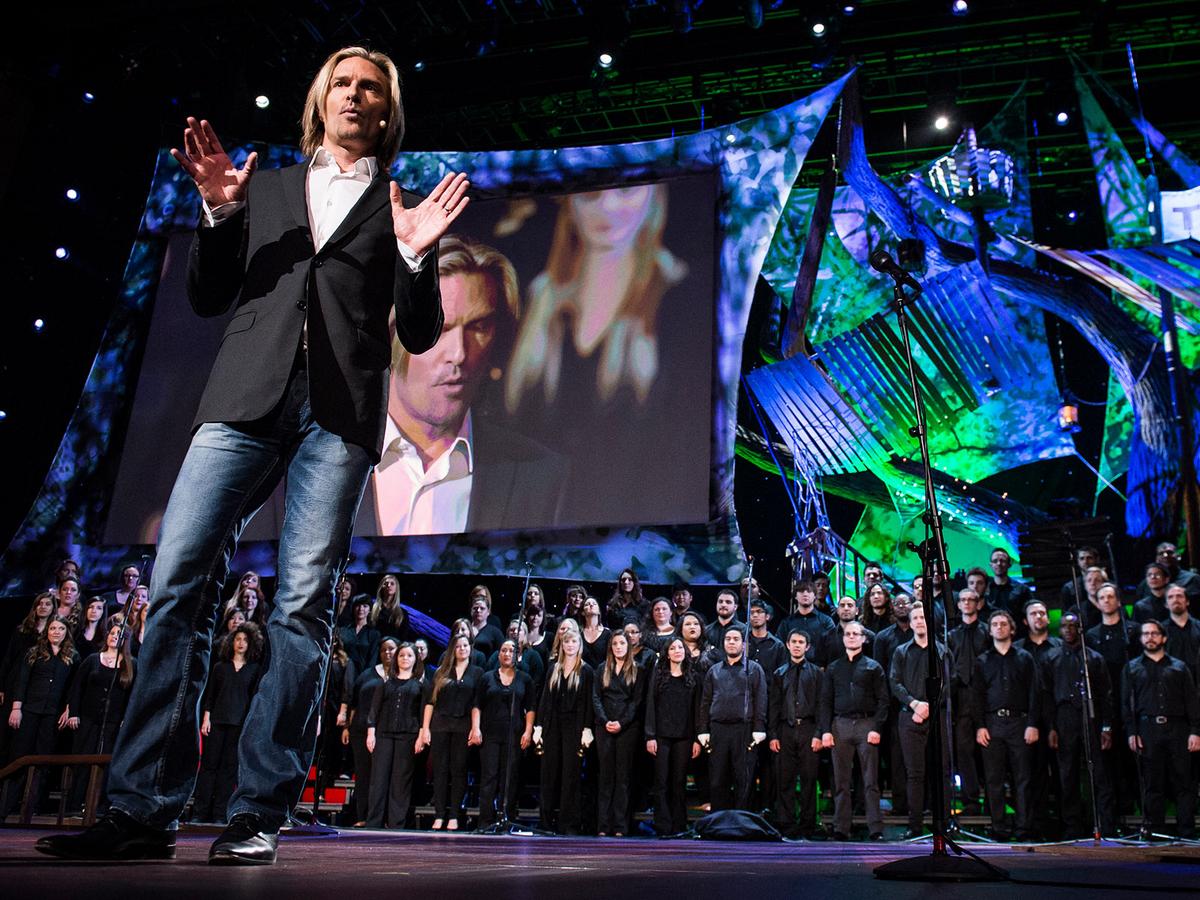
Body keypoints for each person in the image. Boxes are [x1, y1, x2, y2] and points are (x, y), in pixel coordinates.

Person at [37, 47, 466, 865]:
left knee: (300, 607)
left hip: (336, 419)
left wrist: (414, 256)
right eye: (341, 82)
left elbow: (416, 333)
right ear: (320, 100)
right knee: (177, 587)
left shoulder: (399, 206)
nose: (354, 95)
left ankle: (257, 810)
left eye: (370, 88)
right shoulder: (263, 186)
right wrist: (218, 213)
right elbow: (206, 296)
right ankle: (142, 809)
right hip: (242, 401)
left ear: (386, 113)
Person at [361, 234, 568, 535]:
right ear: (393, 332)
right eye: (439, 328)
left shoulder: (540, 475)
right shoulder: (318, 460)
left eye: (479, 327)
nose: (459, 353)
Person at [1121, 620, 1200, 839]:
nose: (1150, 637)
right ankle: (1155, 830)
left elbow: (1192, 700)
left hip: (1178, 728)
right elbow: (1126, 705)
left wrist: (1195, 730)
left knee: (1184, 781)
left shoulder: (1179, 667)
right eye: (1145, 634)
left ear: (1163, 638)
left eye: (1154, 633)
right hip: (1147, 730)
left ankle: (1186, 831)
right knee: (1152, 783)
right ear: (1140, 639)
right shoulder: (1132, 667)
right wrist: (1131, 732)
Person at [1046, 612, 1116, 837]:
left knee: (1100, 773)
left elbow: (1106, 694)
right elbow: (1045, 694)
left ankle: (1104, 824)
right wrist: (1051, 727)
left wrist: (1106, 726)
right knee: (1067, 774)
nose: (1068, 630)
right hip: (1064, 716)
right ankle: (1072, 826)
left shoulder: (1093, 658)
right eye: (1064, 626)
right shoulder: (1052, 657)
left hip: (1091, 716)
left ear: (1080, 629)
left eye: (1072, 626)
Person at [973, 610, 1041, 841]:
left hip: (1020, 723)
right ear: (989, 630)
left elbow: (1034, 693)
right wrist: (980, 726)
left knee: (1023, 779)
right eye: (995, 624)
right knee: (994, 780)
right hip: (992, 724)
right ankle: (999, 828)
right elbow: (977, 696)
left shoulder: (1024, 658)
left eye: (1004, 624)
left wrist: (1032, 724)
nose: (1000, 627)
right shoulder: (982, 661)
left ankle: (1024, 829)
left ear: (1012, 629)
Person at [819, 621, 888, 841]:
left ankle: (875, 828)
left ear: (863, 638)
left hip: (866, 725)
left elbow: (883, 700)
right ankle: (841, 828)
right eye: (847, 634)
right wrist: (826, 731)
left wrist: (876, 727)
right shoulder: (834, 668)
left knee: (870, 781)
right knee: (841, 781)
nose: (850, 637)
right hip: (840, 726)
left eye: (855, 634)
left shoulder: (873, 667)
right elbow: (825, 702)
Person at [3, 617, 78, 817]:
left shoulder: (72, 656)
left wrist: (69, 709)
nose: (56, 631)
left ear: (66, 632)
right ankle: (6, 806)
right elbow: (22, 682)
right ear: (47, 631)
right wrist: (16, 708)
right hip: (29, 711)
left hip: (52, 714)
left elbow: (73, 687)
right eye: (52, 628)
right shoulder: (34, 653)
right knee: (20, 756)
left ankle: (32, 807)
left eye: (61, 628)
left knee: (43, 759)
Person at [192, 624, 264, 824]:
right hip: (217, 721)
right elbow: (210, 695)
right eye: (237, 639)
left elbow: (253, 699)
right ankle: (200, 812)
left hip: (238, 723)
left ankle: (219, 813)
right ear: (231, 642)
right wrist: (206, 717)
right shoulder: (220, 667)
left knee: (228, 770)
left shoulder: (254, 669)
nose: (241, 643)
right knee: (209, 768)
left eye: (244, 640)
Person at [889, 603, 950, 839]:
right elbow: (895, 682)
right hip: (909, 717)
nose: (919, 621)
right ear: (911, 622)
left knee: (941, 772)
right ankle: (915, 826)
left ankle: (942, 826)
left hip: (936, 717)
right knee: (914, 774)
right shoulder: (901, 651)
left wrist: (930, 707)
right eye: (915, 618)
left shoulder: (942, 651)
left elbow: (948, 683)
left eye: (923, 617)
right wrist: (915, 704)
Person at [63, 622, 137, 814]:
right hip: (87, 719)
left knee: (108, 764)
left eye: (119, 634)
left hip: (113, 722)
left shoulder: (131, 664)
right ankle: (74, 804)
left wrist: (126, 720)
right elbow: (76, 688)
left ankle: (100, 806)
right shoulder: (93, 659)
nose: (114, 637)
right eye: (112, 633)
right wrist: (74, 713)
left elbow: (133, 696)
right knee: (82, 760)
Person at [697, 626, 767, 812]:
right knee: (718, 778)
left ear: (744, 645)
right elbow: (705, 702)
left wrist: (759, 727)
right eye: (728, 639)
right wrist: (703, 729)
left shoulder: (753, 669)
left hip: (744, 730)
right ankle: (720, 821)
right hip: (718, 729)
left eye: (736, 639)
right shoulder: (714, 671)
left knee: (744, 778)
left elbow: (761, 700)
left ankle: (742, 821)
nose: (732, 642)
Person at [534, 622, 594, 834]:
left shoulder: (586, 671)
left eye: (574, 641)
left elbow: (588, 702)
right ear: (561, 644)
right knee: (549, 774)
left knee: (571, 774)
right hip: (552, 726)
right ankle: (546, 822)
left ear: (579, 645)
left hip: (574, 727)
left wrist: (587, 728)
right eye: (566, 641)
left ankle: (569, 823)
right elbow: (545, 700)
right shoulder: (553, 669)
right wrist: (538, 726)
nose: (570, 645)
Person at [421, 634, 484, 830]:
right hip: (440, 725)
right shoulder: (441, 672)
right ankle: (439, 814)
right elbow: (430, 702)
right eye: (458, 646)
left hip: (463, 726)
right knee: (440, 771)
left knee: (459, 770)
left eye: (466, 646)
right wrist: (425, 729)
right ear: (452, 649)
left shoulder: (478, 672)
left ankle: (455, 815)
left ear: (470, 648)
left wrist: (476, 728)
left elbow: (477, 704)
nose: (462, 649)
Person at [473, 639, 535, 827]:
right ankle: (486, 820)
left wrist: (528, 731)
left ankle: (506, 817)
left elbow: (530, 707)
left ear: (518, 656)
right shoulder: (487, 677)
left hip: (514, 734)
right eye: (504, 650)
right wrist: (475, 728)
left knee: (509, 778)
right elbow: (477, 705)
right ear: (499, 654)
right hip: (490, 733)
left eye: (511, 651)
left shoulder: (525, 679)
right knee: (489, 777)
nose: (507, 654)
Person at [768, 630, 823, 838]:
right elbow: (773, 706)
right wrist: (773, 734)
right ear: (787, 645)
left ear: (807, 647)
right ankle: (787, 824)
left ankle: (808, 825)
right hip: (785, 730)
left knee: (809, 779)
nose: (797, 645)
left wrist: (819, 733)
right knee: (785, 779)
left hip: (809, 729)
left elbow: (821, 705)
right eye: (794, 642)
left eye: (801, 642)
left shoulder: (817, 673)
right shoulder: (779, 673)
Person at [365, 642, 425, 829]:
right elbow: (374, 709)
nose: (405, 658)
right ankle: (373, 823)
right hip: (383, 734)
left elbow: (423, 712)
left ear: (415, 660)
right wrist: (371, 732)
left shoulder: (420, 685)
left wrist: (421, 735)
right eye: (401, 655)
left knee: (401, 781)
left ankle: (396, 823)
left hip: (407, 736)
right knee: (379, 779)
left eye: (409, 655)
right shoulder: (386, 682)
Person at [644, 636, 700, 835]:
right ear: (667, 653)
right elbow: (650, 705)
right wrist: (650, 735)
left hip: (684, 736)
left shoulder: (692, 677)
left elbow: (697, 710)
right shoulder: (658, 676)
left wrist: (696, 739)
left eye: (680, 647)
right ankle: (663, 826)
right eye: (673, 648)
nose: (677, 650)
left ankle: (679, 825)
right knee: (661, 782)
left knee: (679, 781)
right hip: (661, 736)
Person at [592, 630, 644, 836]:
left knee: (623, 778)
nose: (619, 647)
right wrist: (605, 721)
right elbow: (596, 697)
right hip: (604, 726)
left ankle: (620, 826)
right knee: (605, 777)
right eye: (615, 644)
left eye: (622, 643)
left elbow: (636, 701)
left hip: (627, 728)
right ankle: (603, 826)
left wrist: (621, 722)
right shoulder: (601, 669)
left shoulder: (637, 670)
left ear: (628, 646)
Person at [346, 638, 398, 826]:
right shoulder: (368, 674)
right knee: (363, 773)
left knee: (382, 776)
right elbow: (354, 701)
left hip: (385, 731)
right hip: (361, 728)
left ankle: (381, 818)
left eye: (391, 649)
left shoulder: (401, 677)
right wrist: (346, 727)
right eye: (384, 649)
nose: (387, 653)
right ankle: (362, 816)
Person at [947, 587, 988, 810]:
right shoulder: (951, 635)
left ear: (978, 603)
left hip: (985, 695)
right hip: (961, 697)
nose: (967, 603)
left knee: (988, 749)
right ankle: (970, 799)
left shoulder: (987, 632)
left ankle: (990, 799)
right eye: (962, 600)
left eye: (971, 599)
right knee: (963, 750)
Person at [774, 581, 834, 662]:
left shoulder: (826, 621)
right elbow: (779, 648)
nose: (805, 594)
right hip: (791, 669)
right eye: (801, 591)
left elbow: (832, 647)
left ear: (815, 596)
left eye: (809, 591)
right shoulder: (786, 623)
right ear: (795, 596)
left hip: (819, 669)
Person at [1135, 541, 1200, 605]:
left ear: (1178, 556)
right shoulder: (1146, 584)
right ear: (1156, 559)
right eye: (1161, 553)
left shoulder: (1192, 579)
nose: (1165, 556)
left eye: (1169, 552)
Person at [819, 596, 875, 665]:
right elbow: (821, 666)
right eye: (842, 606)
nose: (846, 608)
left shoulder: (869, 636)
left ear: (857, 611)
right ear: (837, 611)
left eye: (850, 605)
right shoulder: (826, 637)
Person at [1162, 583, 1200, 681]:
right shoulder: (1160, 630)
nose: (1175, 600)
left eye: (1179, 596)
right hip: (1171, 684)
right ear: (1166, 604)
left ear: (1187, 601)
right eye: (1170, 597)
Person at [984, 549, 1032, 622]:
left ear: (1009, 564)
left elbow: (1030, 612)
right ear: (991, 565)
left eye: (1002, 561)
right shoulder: (984, 589)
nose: (999, 563)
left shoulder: (1022, 589)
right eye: (995, 561)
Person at [370, 575, 413, 644]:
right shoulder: (372, 609)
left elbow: (403, 637)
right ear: (381, 587)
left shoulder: (402, 613)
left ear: (396, 588)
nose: (389, 585)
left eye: (392, 583)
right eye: (386, 583)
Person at [467, 591, 505, 659]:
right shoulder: (464, 629)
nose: (478, 610)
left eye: (482, 608)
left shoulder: (495, 633)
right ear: (471, 610)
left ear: (488, 612)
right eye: (475, 608)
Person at [580, 597, 612, 670]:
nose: (591, 605)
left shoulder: (607, 634)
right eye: (587, 604)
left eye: (594, 604)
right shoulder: (578, 634)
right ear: (583, 612)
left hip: (602, 676)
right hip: (583, 676)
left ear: (599, 611)